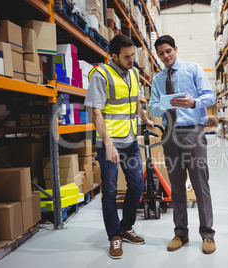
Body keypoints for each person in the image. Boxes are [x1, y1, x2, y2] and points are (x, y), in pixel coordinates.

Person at [85, 34, 154, 259]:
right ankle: (114, 236)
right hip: (110, 143)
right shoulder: (101, 75)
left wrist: (144, 119)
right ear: (113, 56)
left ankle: (126, 227)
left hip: (130, 140)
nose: (131, 59)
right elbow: (96, 112)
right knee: (111, 191)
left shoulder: (134, 73)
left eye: (133, 55)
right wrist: (108, 145)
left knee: (136, 185)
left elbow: (135, 101)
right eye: (126, 56)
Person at [149, 35, 216, 254]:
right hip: (169, 134)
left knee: (199, 184)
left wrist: (193, 102)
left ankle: (207, 235)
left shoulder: (193, 69)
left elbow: (210, 96)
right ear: (157, 55)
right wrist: (162, 105)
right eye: (161, 53)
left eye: (168, 51)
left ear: (175, 49)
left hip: (192, 131)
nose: (166, 56)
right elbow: (153, 108)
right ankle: (180, 233)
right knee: (176, 187)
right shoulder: (158, 79)